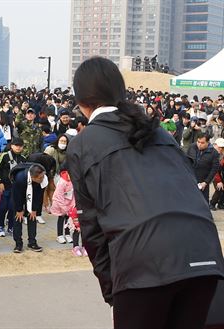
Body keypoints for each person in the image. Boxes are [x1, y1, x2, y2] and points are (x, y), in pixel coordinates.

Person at [67, 57, 224, 328]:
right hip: (205, 254)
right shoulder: (160, 133)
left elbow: (91, 228)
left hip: (143, 265)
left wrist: (112, 290)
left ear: (81, 102)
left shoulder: (84, 144)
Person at [0, 138, 26, 237]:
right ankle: (1, 226)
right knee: (3, 207)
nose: (18, 147)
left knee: (13, 207)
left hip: (16, 188)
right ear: (11, 146)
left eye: (20, 146)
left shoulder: (23, 159)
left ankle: (11, 226)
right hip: (4, 186)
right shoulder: (4, 156)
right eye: (16, 145)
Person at [11, 163, 47, 253]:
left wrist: (34, 209)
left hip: (33, 193)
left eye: (43, 176)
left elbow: (39, 195)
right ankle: (18, 243)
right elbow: (17, 196)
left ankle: (32, 242)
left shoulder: (42, 180)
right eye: (40, 178)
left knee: (32, 217)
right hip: (20, 193)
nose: (42, 179)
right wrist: (19, 210)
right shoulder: (20, 178)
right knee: (18, 217)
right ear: (33, 177)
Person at [186, 133, 220, 201]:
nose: (199, 144)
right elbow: (186, 161)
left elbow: (214, 169)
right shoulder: (192, 147)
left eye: (202, 143)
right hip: (190, 180)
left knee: (203, 203)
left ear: (208, 142)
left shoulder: (214, 153)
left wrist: (206, 182)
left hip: (203, 183)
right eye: (198, 142)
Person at [50, 163, 75, 244]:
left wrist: (73, 205)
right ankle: (60, 235)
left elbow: (74, 194)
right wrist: (64, 208)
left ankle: (67, 234)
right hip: (60, 203)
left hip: (70, 202)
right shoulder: (62, 182)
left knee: (69, 218)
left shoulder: (74, 181)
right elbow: (58, 196)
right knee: (61, 218)